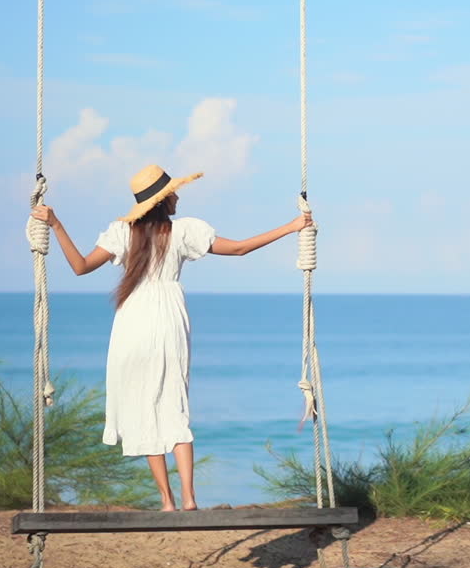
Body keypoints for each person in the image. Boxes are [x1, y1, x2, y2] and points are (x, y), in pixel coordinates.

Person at [29, 164, 311, 511]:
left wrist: (56, 225)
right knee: (174, 405)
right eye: (173, 192)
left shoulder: (122, 232)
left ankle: (167, 500)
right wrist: (291, 227)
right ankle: (189, 498)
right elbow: (239, 249)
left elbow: (81, 266)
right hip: (167, 320)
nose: (177, 196)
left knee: (142, 406)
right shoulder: (183, 231)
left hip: (131, 323)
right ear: (163, 201)